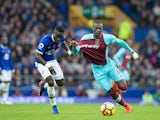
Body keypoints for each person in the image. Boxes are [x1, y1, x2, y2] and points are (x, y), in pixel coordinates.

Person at [70, 21, 139, 113]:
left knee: (124, 87)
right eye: (96, 28)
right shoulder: (85, 38)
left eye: (100, 29)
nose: (98, 30)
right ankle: (127, 106)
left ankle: (114, 83)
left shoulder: (107, 38)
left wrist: (132, 52)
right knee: (112, 93)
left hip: (108, 66)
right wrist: (74, 47)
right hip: (98, 71)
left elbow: (120, 42)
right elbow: (75, 53)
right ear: (93, 29)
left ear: (102, 30)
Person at [34, 25, 72, 114]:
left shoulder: (61, 37)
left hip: (52, 60)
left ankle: (44, 85)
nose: (59, 38)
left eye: (60, 36)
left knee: (60, 83)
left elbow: (63, 42)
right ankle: (54, 106)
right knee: (51, 82)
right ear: (54, 33)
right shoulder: (45, 40)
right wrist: (47, 66)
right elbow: (37, 55)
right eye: (57, 36)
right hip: (41, 62)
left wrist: (69, 51)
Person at [0, 36, 14, 104]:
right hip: (2, 68)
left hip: (8, 68)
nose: (6, 41)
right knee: (5, 81)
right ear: (1, 41)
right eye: (4, 40)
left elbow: (10, 60)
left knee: (7, 84)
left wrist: (12, 69)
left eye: (6, 40)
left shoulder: (8, 49)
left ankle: (4, 100)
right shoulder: (0, 49)